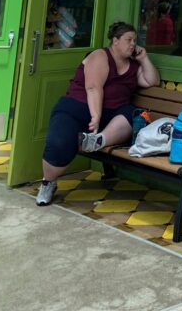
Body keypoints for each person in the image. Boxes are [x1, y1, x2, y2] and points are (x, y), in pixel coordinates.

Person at [35, 21, 160, 206]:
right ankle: (48, 183)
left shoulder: (133, 65)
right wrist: (95, 116)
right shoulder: (100, 56)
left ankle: (98, 140)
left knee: (131, 113)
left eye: (135, 40)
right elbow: (93, 87)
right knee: (60, 142)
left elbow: (152, 80)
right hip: (76, 110)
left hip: (111, 120)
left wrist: (144, 59)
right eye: (128, 40)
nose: (133, 44)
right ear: (115, 41)